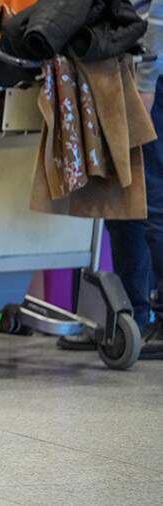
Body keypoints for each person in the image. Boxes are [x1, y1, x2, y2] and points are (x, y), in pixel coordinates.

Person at [106, 0, 163, 356]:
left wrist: (145, 81)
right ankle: (128, 318)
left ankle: (150, 316)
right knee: (122, 200)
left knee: (151, 202)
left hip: (150, 79)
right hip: (130, 71)